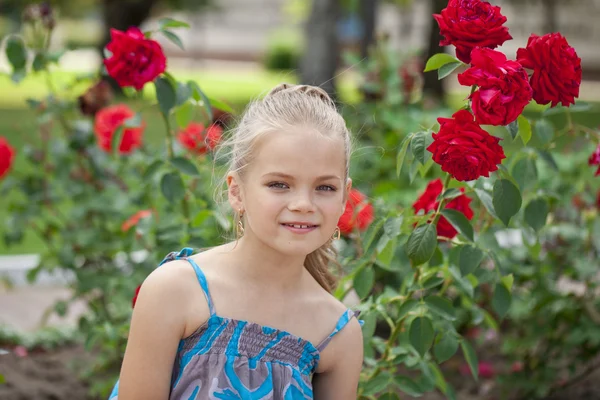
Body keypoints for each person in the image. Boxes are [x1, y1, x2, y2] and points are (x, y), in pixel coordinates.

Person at [109, 83, 364, 399]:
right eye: (279, 184)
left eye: (324, 188)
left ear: (344, 197)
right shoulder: (175, 291)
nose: (303, 204)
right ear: (236, 191)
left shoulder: (337, 334)